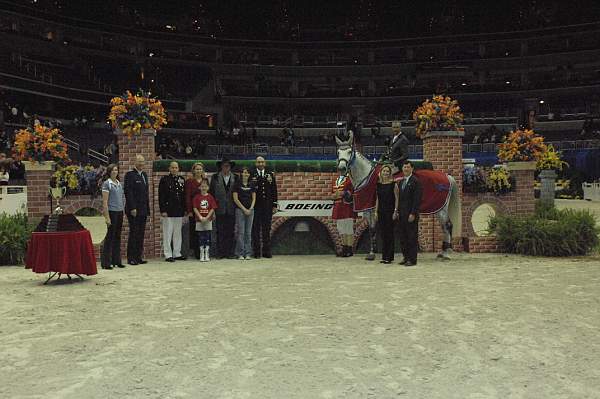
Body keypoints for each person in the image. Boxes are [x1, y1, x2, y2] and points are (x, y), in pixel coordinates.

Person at [209, 157, 238, 259]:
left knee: (230, 231)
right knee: (219, 231)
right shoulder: (215, 177)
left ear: (230, 167)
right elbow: (211, 193)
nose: (226, 167)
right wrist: (212, 209)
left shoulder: (236, 177)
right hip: (219, 208)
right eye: (224, 165)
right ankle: (220, 253)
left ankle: (229, 252)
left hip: (231, 208)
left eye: (228, 166)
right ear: (221, 167)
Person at [158, 161, 187, 262]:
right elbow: (161, 196)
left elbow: (183, 196)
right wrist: (163, 210)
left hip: (179, 210)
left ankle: (177, 253)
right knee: (168, 233)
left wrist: (184, 209)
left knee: (177, 233)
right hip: (168, 211)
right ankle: (168, 254)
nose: (174, 169)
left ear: (178, 169)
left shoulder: (182, 180)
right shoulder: (164, 180)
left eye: (176, 168)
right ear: (169, 169)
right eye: (172, 167)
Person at [124, 155, 150, 265]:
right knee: (134, 233)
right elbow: (128, 192)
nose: (141, 163)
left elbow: (146, 194)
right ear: (135, 162)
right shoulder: (130, 175)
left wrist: (148, 209)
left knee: (140, 234)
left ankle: (138, 257)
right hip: (133, 210)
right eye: (139, 161)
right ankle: (131, 258)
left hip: (143, 210)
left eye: (142, 162)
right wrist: (133, 207)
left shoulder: (144, 175)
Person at [396, 160, 422, 266]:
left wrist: (413, 213)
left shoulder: (415, 181)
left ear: (412, 169)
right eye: (404, 167)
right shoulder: (401, 182)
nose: (405, 169)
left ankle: (412, 259)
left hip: (411, 214)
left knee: (411, 237)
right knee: (403, 237)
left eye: (407, 167)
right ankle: (405, 257)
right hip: (402, 214)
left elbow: (417, 199)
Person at [251, 156, 278, 258]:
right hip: (256, 206)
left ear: (265, 163)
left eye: (262, 162)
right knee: (256, 229)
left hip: (267, 206)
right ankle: (257, 252)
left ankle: (266, 251)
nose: (260, 164)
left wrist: (274, 205)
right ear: (256, 163)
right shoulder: (252, 174)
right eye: (258, 162)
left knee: (266, 229)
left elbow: (274, 190)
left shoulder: (270, 174)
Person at [100, 164, 125, 269]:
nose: (115, 172)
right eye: (113, 170)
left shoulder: (119, 184)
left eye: (116, 170)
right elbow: (105, 202)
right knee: (109, 237)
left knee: (117, 237)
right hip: (111, 212)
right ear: (109, 172)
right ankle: (106, 262)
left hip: (119, 212)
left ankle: (117, 260)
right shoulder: (107, 184)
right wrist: (107, 217)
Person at [375, 165, 398, 264]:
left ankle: (389, 257)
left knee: (389, 234)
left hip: (390, 211)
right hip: (381, 211)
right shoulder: (378, 184)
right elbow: (377, 199)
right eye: (384, 171)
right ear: (381, 172)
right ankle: (384, 256)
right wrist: (375, 211)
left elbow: (397, 198)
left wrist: (395, 211)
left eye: (387, 171)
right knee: (383, 235)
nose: (385, 173)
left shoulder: (393, 184)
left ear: (390, 173)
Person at [233, 166, 256, 260]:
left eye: (247, 172)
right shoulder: (237, 184)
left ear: (249, 174)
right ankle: (240, 253)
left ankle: (248, 253)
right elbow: (235, 199)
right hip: (240, 210)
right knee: (241, 232)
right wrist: (244, 209)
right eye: (243, 172)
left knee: (248, 232)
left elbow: (254, 198)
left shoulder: (252, 185)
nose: (245, 174)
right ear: (241, 174)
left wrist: (250, 208)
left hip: (250, 210)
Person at [331, 170, 356, 257]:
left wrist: (344, 193)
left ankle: (349, 249)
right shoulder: (335, 180)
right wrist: (333, 196)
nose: (341, 171)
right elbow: (332, 193)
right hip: (338, 206)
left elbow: (353, 191)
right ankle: (344, 247)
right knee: (341, 228)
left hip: (346, 206)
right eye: (340, 169)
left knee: (348, 227)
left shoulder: (350, 179)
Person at [193, 178, 217, 262]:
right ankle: (201, 253)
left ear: (208, 187)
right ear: (199, 187)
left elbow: (213, 208)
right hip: (199, 220)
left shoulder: (210, 197)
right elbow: (195, 208)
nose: (203, 188)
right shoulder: (197, 197)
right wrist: (200, 217)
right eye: (202, 186)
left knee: (207, 236)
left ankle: (207, 253)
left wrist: (207, 217)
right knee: (200, 237)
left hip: (208, 220)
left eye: (205, 186)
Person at [184, 162, 205, 259]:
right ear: (193, 170)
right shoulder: (189, 182)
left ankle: (204, 250)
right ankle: (196, 251)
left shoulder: (205, 181)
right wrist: (189, 211)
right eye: (197, 169)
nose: (198, 171)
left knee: (204, 230)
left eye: (200, 169)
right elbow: (187, 197)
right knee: (194, 231)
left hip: (204, 210)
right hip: (194, 210)